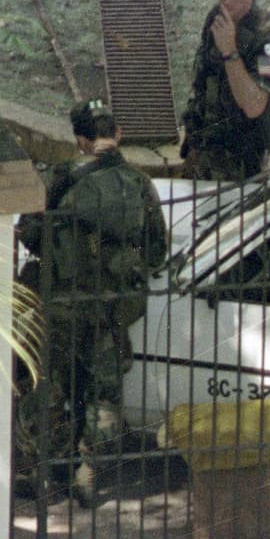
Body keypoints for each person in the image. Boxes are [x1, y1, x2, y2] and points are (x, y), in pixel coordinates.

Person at [15, 99, 169, 504]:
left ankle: (48, 477)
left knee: (45, 387)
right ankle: (87, 475)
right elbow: (157, 253)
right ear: (117, 134)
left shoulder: (61, 178)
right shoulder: (140, 184)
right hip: (112, 309)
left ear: (80, 140)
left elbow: (31, 236)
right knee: (101, 393)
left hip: (63, 305)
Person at [180, 0, 270, 182]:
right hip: (202, 147)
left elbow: (256, 106)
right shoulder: (217, 17)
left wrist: (230, 52)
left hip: (239, 159)